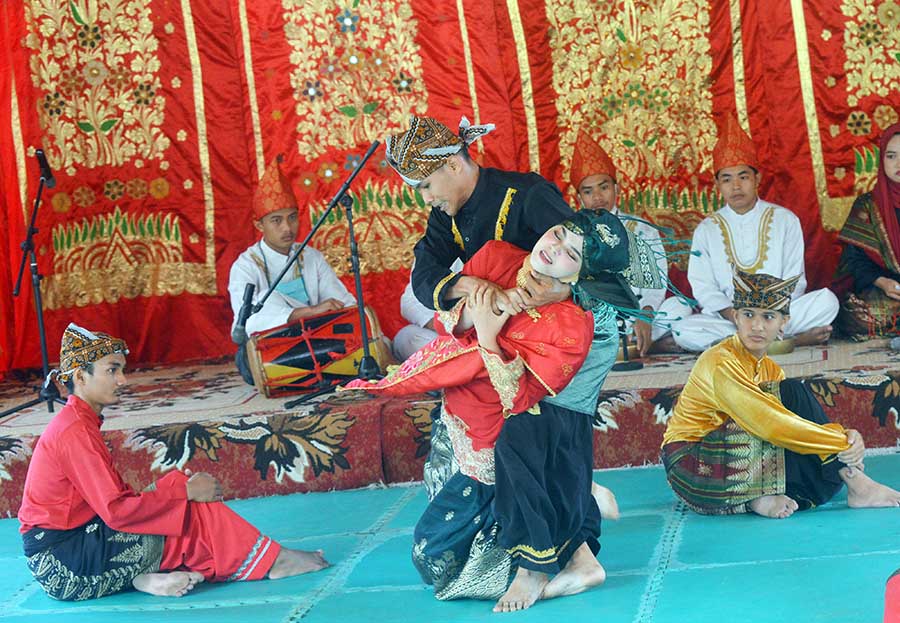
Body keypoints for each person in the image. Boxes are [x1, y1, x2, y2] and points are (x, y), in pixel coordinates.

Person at [347, 209, 662, 611]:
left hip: (496, 433)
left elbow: (517, 400)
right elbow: (447, 325)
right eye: (558, 233)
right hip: (455, 413)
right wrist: (490, 300)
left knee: (433, 560)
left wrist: (489, 332)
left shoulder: (570, 326)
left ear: (579, 276)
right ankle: (579, 509)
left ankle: (542, 561)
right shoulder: (496, 257)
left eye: (571, 254)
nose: (553, 249)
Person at [18, 324, 329, 601]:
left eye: (122, 370)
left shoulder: (80, 422)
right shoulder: (74, 431)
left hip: (85, 540)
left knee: (177, 495)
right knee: (185, 506)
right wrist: (184, 492)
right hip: (62, 565)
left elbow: (117, 504)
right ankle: (271, 561)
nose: (122, 380)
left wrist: (180, 488)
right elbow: (116, 511)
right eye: (111, 370)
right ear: (79, 377)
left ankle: (149, 577)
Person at [661, 271, 900, 518]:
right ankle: (855, 484)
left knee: (823, 475)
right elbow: (770, 424)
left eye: (768, 316)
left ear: (783, 323)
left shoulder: (770, 369)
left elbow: (796, 422)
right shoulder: (720, 361)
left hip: (731, 452)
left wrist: (849, 438)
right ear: (736, 317)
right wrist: (839, 443)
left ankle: (762, 494)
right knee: (790, 397)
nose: (757, 326)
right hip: (693, 466)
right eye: (748, 314)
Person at [664, 114, 838, 352]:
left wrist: (768, 315)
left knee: (827, 301)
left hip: (779, 315)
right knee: (683, 329)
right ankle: (793, 340)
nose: (736, 186)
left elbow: (794, 280)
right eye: (727, 179)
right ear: (718, 185)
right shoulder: (706, 229)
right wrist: (736, 316)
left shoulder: (785, 220)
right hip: (730, 321)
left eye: (743, 177)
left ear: (757, 178)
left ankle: (742, 345)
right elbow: (703, 287)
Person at [228, 158, 355, 384]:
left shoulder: (311, 257)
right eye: (276, 221)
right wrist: (307, 312)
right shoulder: (246, 266)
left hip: (316, 338)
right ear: (259, 225)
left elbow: (343, 303)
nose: (287, 228)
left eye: (292, 218)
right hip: (272, 344)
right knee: (249, 351)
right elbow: (245, 325)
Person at [570, 129, 675, 356]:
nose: (598, 196)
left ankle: (638, 339)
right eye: (589, 191)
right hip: (596, 318)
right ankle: (642, 344)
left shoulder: (642, 228)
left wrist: (644, 315)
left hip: (641, 314)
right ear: (579, 198)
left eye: (604, 187)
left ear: (616, 189)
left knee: (679, 309)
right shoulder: (571, 235)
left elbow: (656, 282)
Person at [835, 123, 900, 340]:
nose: (898, 163)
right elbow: (854, 261)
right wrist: (882, 282)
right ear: (882, 160)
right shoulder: (867, 206)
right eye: (891, 156)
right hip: (888, 293)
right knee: (855, 315)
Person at [392, 259, 462, 362]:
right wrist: (442, 326)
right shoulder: (435, 247)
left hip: (484, 339)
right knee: (406, 337)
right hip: (448, 337)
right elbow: (409, 302)